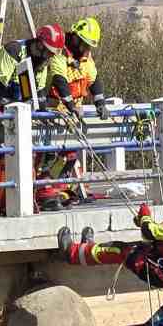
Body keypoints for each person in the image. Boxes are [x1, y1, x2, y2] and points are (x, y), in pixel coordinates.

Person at [58, 180, 163, 326]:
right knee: (134, 247)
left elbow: (149, 233)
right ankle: (88, 248)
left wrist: (145, 216)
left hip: (156, 273)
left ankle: (71, 253)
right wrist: (142, 222)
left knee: (118, 250)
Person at [0, 24, 64, 216]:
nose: (49, 57)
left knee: (32, 144)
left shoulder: (42, 64)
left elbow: (39, 94)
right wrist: (9, 111)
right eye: (48, 52)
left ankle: (23, 195)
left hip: (21, 105)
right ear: (40, 44)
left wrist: (43, 114)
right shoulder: (14, 50)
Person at [38, 17, 110, 209]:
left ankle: (58, 189)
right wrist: (71, 106)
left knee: (69, 157)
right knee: (49, 155)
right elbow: (60, 81)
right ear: (76, 39)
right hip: (54, 114)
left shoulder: (86, 58)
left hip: (71, 116)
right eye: (85, 45)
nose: (87, 50)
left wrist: (100, 102)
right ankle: (43, 190)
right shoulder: (60, 54)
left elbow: (94, 80)